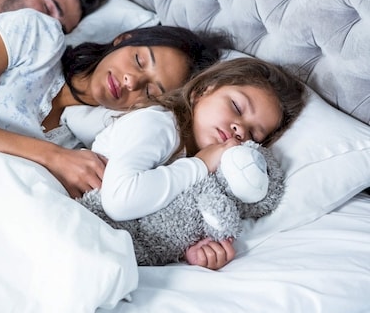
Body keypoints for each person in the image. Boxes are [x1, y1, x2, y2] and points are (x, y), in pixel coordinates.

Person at [0, 8, 233, 198]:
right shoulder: (36, 37)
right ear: (123, 39)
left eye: (150, 91)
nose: (131, 81)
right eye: (138, 60)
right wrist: (54, 157)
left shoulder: (95, 143)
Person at [79, 56, 307, 269]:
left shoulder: (204, 167)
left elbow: (154, 216)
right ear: (202, 90)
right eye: (236, 107)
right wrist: (199, 164)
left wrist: (187, 247)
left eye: (253, 134)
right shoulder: (158, 124)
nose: (239, 129)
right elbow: (120, 201)